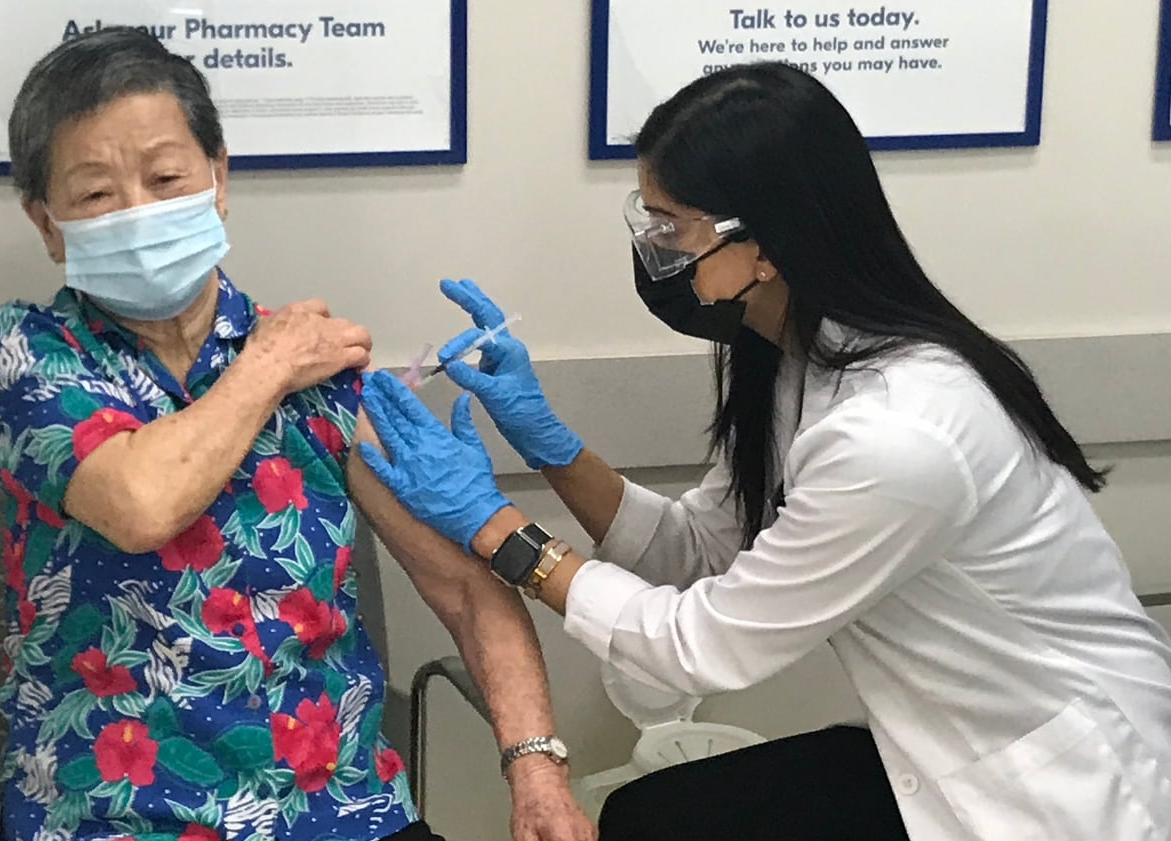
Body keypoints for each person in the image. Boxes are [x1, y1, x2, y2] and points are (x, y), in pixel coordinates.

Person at [355, 62, 1171, 841]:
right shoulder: (797, 356)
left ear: (768, 246)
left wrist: (499, 530)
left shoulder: (900, 436)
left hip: (1068, 787)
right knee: (652, 815)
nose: (656, 251)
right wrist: (554, 450)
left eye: (672, 227)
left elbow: (699, 643)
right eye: (648, 222)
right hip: (950, 745)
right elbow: (699, 548)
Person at [0, 27, 593, 841]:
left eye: (167, 177)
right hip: (114, 814)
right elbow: (138, 500)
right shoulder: (33, 353)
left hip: (337, 811)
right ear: (47, 223)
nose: (140, 212)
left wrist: (536, 768)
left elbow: (468, 589)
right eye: (95, 195)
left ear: (219, 177)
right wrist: (264, 366)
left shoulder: (322, 373)